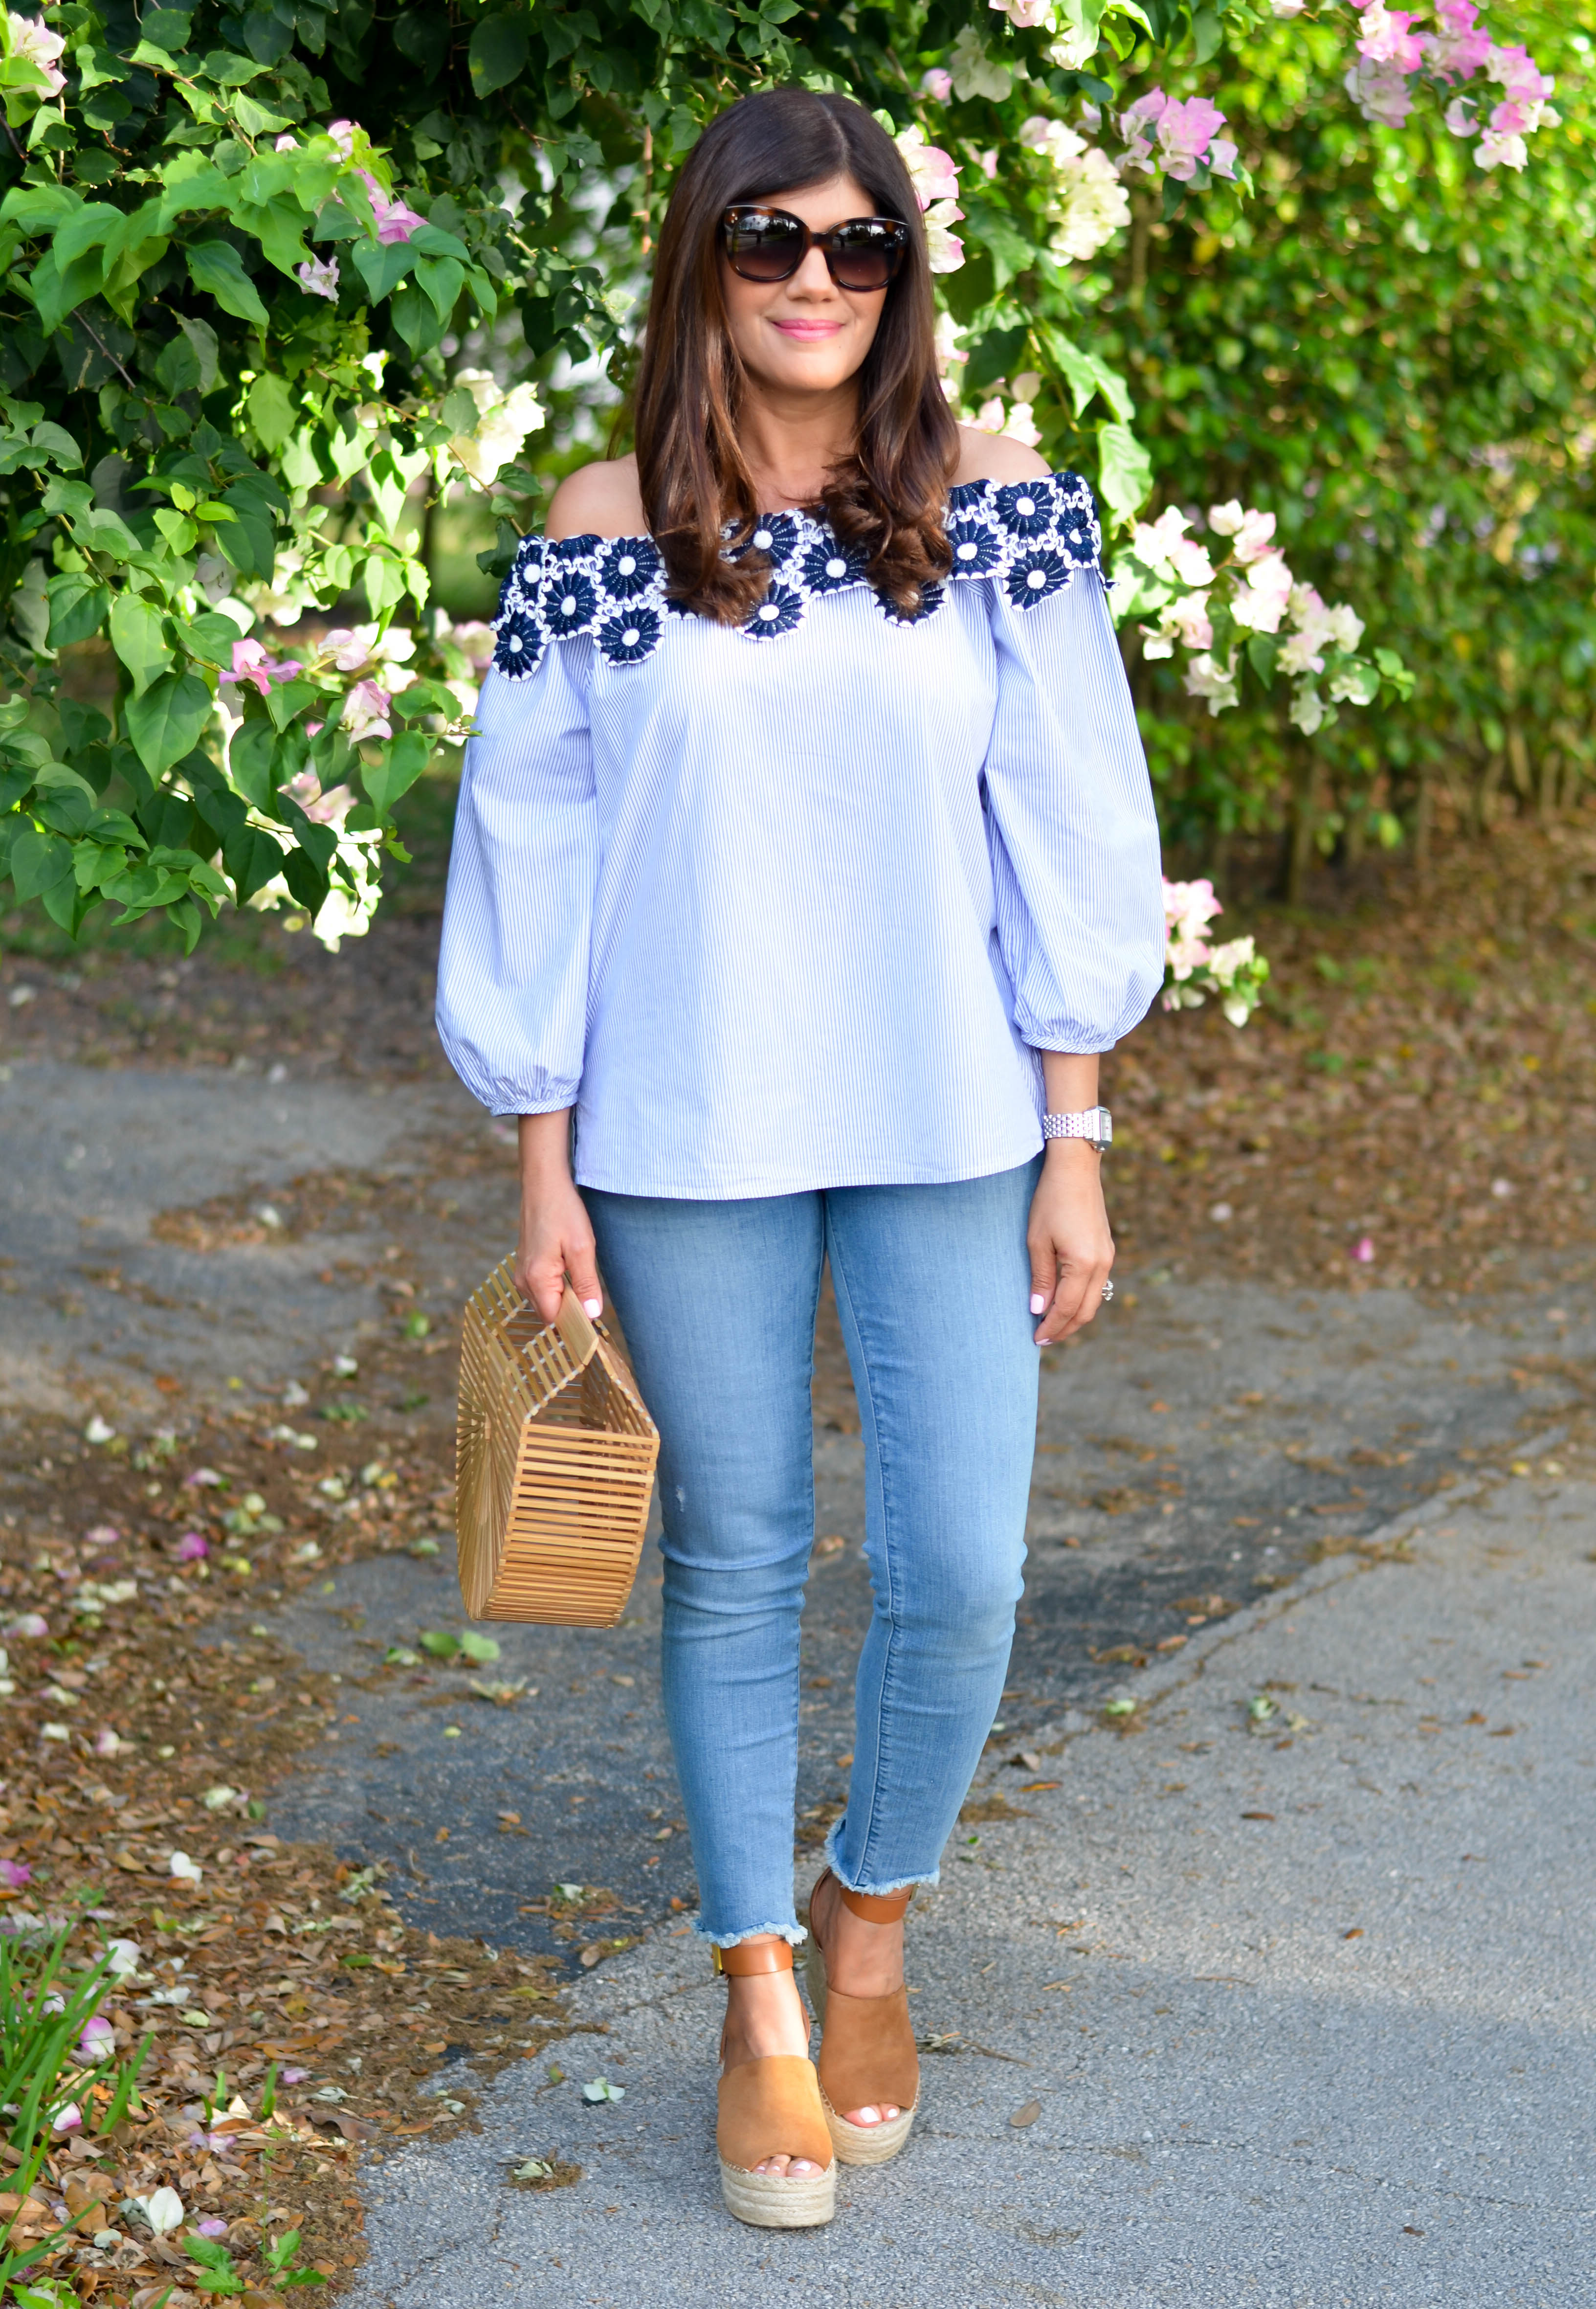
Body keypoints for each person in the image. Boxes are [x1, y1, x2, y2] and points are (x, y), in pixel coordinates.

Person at [436, 85, 1163, 2229]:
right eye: (775, 243)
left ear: (903, 275)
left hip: (950, 1112)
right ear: (706, 264)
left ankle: (873, 1912)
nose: (821, 283)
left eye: (862, 247)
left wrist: (1079, 1135)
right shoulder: (599, 519)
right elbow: (537, 855)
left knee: (966, 1564)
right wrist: (539, 1161)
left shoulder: (1001, 507)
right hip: (679, 1125)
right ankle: (758, 1992)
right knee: (735, 1556)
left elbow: (1068, 830)